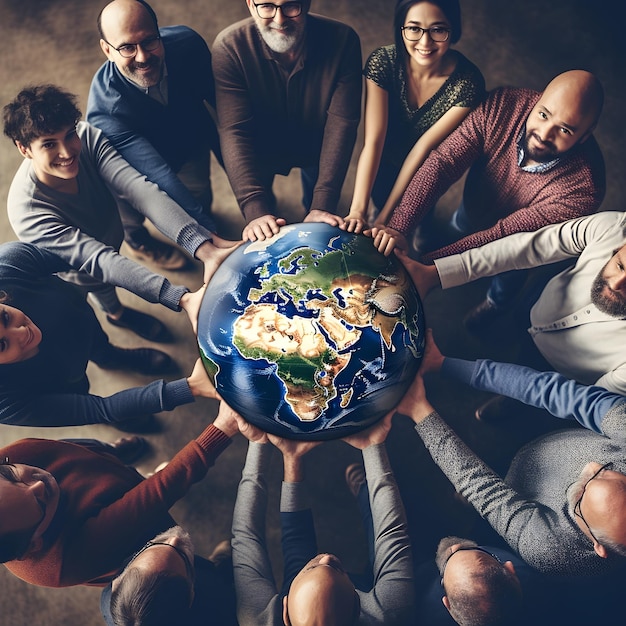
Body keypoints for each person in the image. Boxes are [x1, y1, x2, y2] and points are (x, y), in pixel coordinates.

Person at [3, 84, 238, 343]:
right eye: (49, 144)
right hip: (80, 269)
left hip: (112, 232)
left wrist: (203, 248)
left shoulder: (87, 136)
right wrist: (180, 297)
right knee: (101, 288)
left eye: (69, 135)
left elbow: (139, 190)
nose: (67, 152)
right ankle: (117, 314)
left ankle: (121, 293)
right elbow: (98, 260)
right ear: (24, 149)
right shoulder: (27, 211)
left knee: (115, 256)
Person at [371, 69, 605, 326]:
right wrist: (398, 227)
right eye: (543, 114)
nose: (544, 134)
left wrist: (425, 267)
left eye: (564, 130)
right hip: (474, 205)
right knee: (460, 225)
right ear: (538, 99)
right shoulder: (504, 104)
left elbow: (505, 236)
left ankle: (496, 304)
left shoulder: (583, 189)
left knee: (508, 274)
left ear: (585, 134)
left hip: (521, 245)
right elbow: (442, 164)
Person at [394, 332, 626, 579]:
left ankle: (466, 503)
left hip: (514, 493)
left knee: (478, 499)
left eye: (581, 495)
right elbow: (552, 391)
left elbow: (483, 488)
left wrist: (419, 409)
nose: (590, 466)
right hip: (540, 437)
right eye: (607, 469)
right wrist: (442, 363)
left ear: (599, 548)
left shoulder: (550, 549)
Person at [0, 399, 238, 590]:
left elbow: (74, 450)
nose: (39, 482)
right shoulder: (66, 561)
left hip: (103, 472)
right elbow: (155, 495)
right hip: (132, 547)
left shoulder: (9, 457)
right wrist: (223, 428)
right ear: (34, 544)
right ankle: (216, 570)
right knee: (182, 565)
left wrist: (108, 456)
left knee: (111, 461)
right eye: (39, 502)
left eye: (11, 474)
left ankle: (123, 462)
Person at [395, 209, 626, 395]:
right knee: (515, 321)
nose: (616, 284)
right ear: (618, 247)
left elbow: (586, 401)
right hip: (535, 304)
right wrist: (435, 274)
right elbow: (528, 247)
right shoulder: (614, 228)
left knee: (524, 398)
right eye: (620, 265)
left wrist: (450, 366)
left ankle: (507, 405)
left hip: (559, 373)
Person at [0, 241, 225, 429]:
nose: (21, 332)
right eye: (2, 345)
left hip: (81, 320)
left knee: (99, 344)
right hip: (62, 381)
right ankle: (119, 417)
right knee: (83, 394)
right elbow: (98, 408)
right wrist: (189, 387)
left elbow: (90, 256)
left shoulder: (8, 264)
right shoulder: (4, 400)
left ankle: (110, 356)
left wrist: (176, 296)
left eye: (5, 318)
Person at [231, 411, 414, 625]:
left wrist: (261, 441)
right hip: (363, 591)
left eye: (313, 568)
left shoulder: (257, 619)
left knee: (297, 558)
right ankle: (364, 490)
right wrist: (372, 444)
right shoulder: (389, 613)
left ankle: (293, 460)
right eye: (334, 566)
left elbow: (246, 535)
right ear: (359, 609)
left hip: (317, 595)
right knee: (381, 532)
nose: (327, 556)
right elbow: (391, 533)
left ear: (285, 615)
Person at [212, 0, 362, 242]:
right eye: (267, 6)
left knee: (316, 199)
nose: (279, 19)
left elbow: (342, 124)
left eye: (291, 5)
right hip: (261, 146)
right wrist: (256, 210)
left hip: (319, 144)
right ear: (250, 4)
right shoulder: (229, 46)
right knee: (265, 207)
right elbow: (234, 131)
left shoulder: (344, 40)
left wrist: (322, 204)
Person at [87, 0, 222, 270]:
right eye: (126, 47)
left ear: (159, 32)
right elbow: (158, 176)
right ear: (107, 50)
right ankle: (139, 243)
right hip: (133, 171)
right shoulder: (105, 112)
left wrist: (251, 194)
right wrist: (211, 241)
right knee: (131, 216)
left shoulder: (188, 44)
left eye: (149, 41)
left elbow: (225, 108)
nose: (142, 57)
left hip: (189, 142)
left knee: (200, 197)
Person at [344, 0, 485, 240]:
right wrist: (358, 210)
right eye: (414, 28)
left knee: (420, 221)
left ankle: (420, 234)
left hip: (427, 169)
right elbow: (374, 141)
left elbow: (423, 148)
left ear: (454, 29)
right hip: (383, 159)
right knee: (378, 197)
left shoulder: (467, 83)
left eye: (438, 29)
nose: (424, 42)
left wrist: (385, 220)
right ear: (401, 29)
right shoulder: (384, 62)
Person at [99, 525, 238, 626]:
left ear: (117, 582)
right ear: (190, 596)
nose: (174, 538)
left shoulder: (108, 596)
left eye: (150, 546)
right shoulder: (217, 607)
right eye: (182, 554)